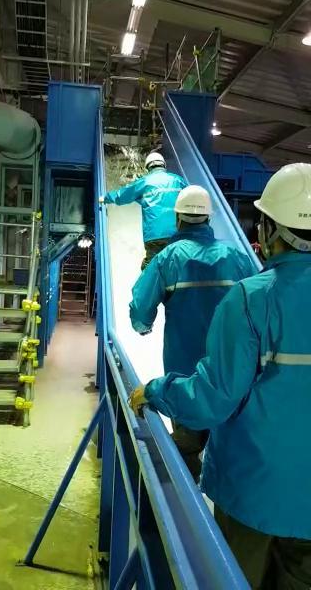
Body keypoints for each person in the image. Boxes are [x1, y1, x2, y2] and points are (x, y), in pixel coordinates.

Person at [129, 162, 311, 589]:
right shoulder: (237, 263)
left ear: (268, 229)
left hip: (254, 490)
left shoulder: (254, 297)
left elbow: (215, 396)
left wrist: (157, 390)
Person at [129, 185, 255, 481]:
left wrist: (143, 326)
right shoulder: (237, 257)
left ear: (177, 220)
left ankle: (186, 507)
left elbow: (140, 309)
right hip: (231, 375)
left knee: (185, 447)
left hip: (183, 375)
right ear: (210, 220)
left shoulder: (167, 259)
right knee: (228, 443)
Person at [100, 152, 186, 269]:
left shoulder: (145, 182)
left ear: (148, 167)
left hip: (154, 235)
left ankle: (150, 285)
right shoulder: (178, 180)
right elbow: (192, 199)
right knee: (177, 265)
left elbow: (122, 196)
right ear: (163, 165)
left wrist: (105, 198)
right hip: (179, 233)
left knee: (150, 268)